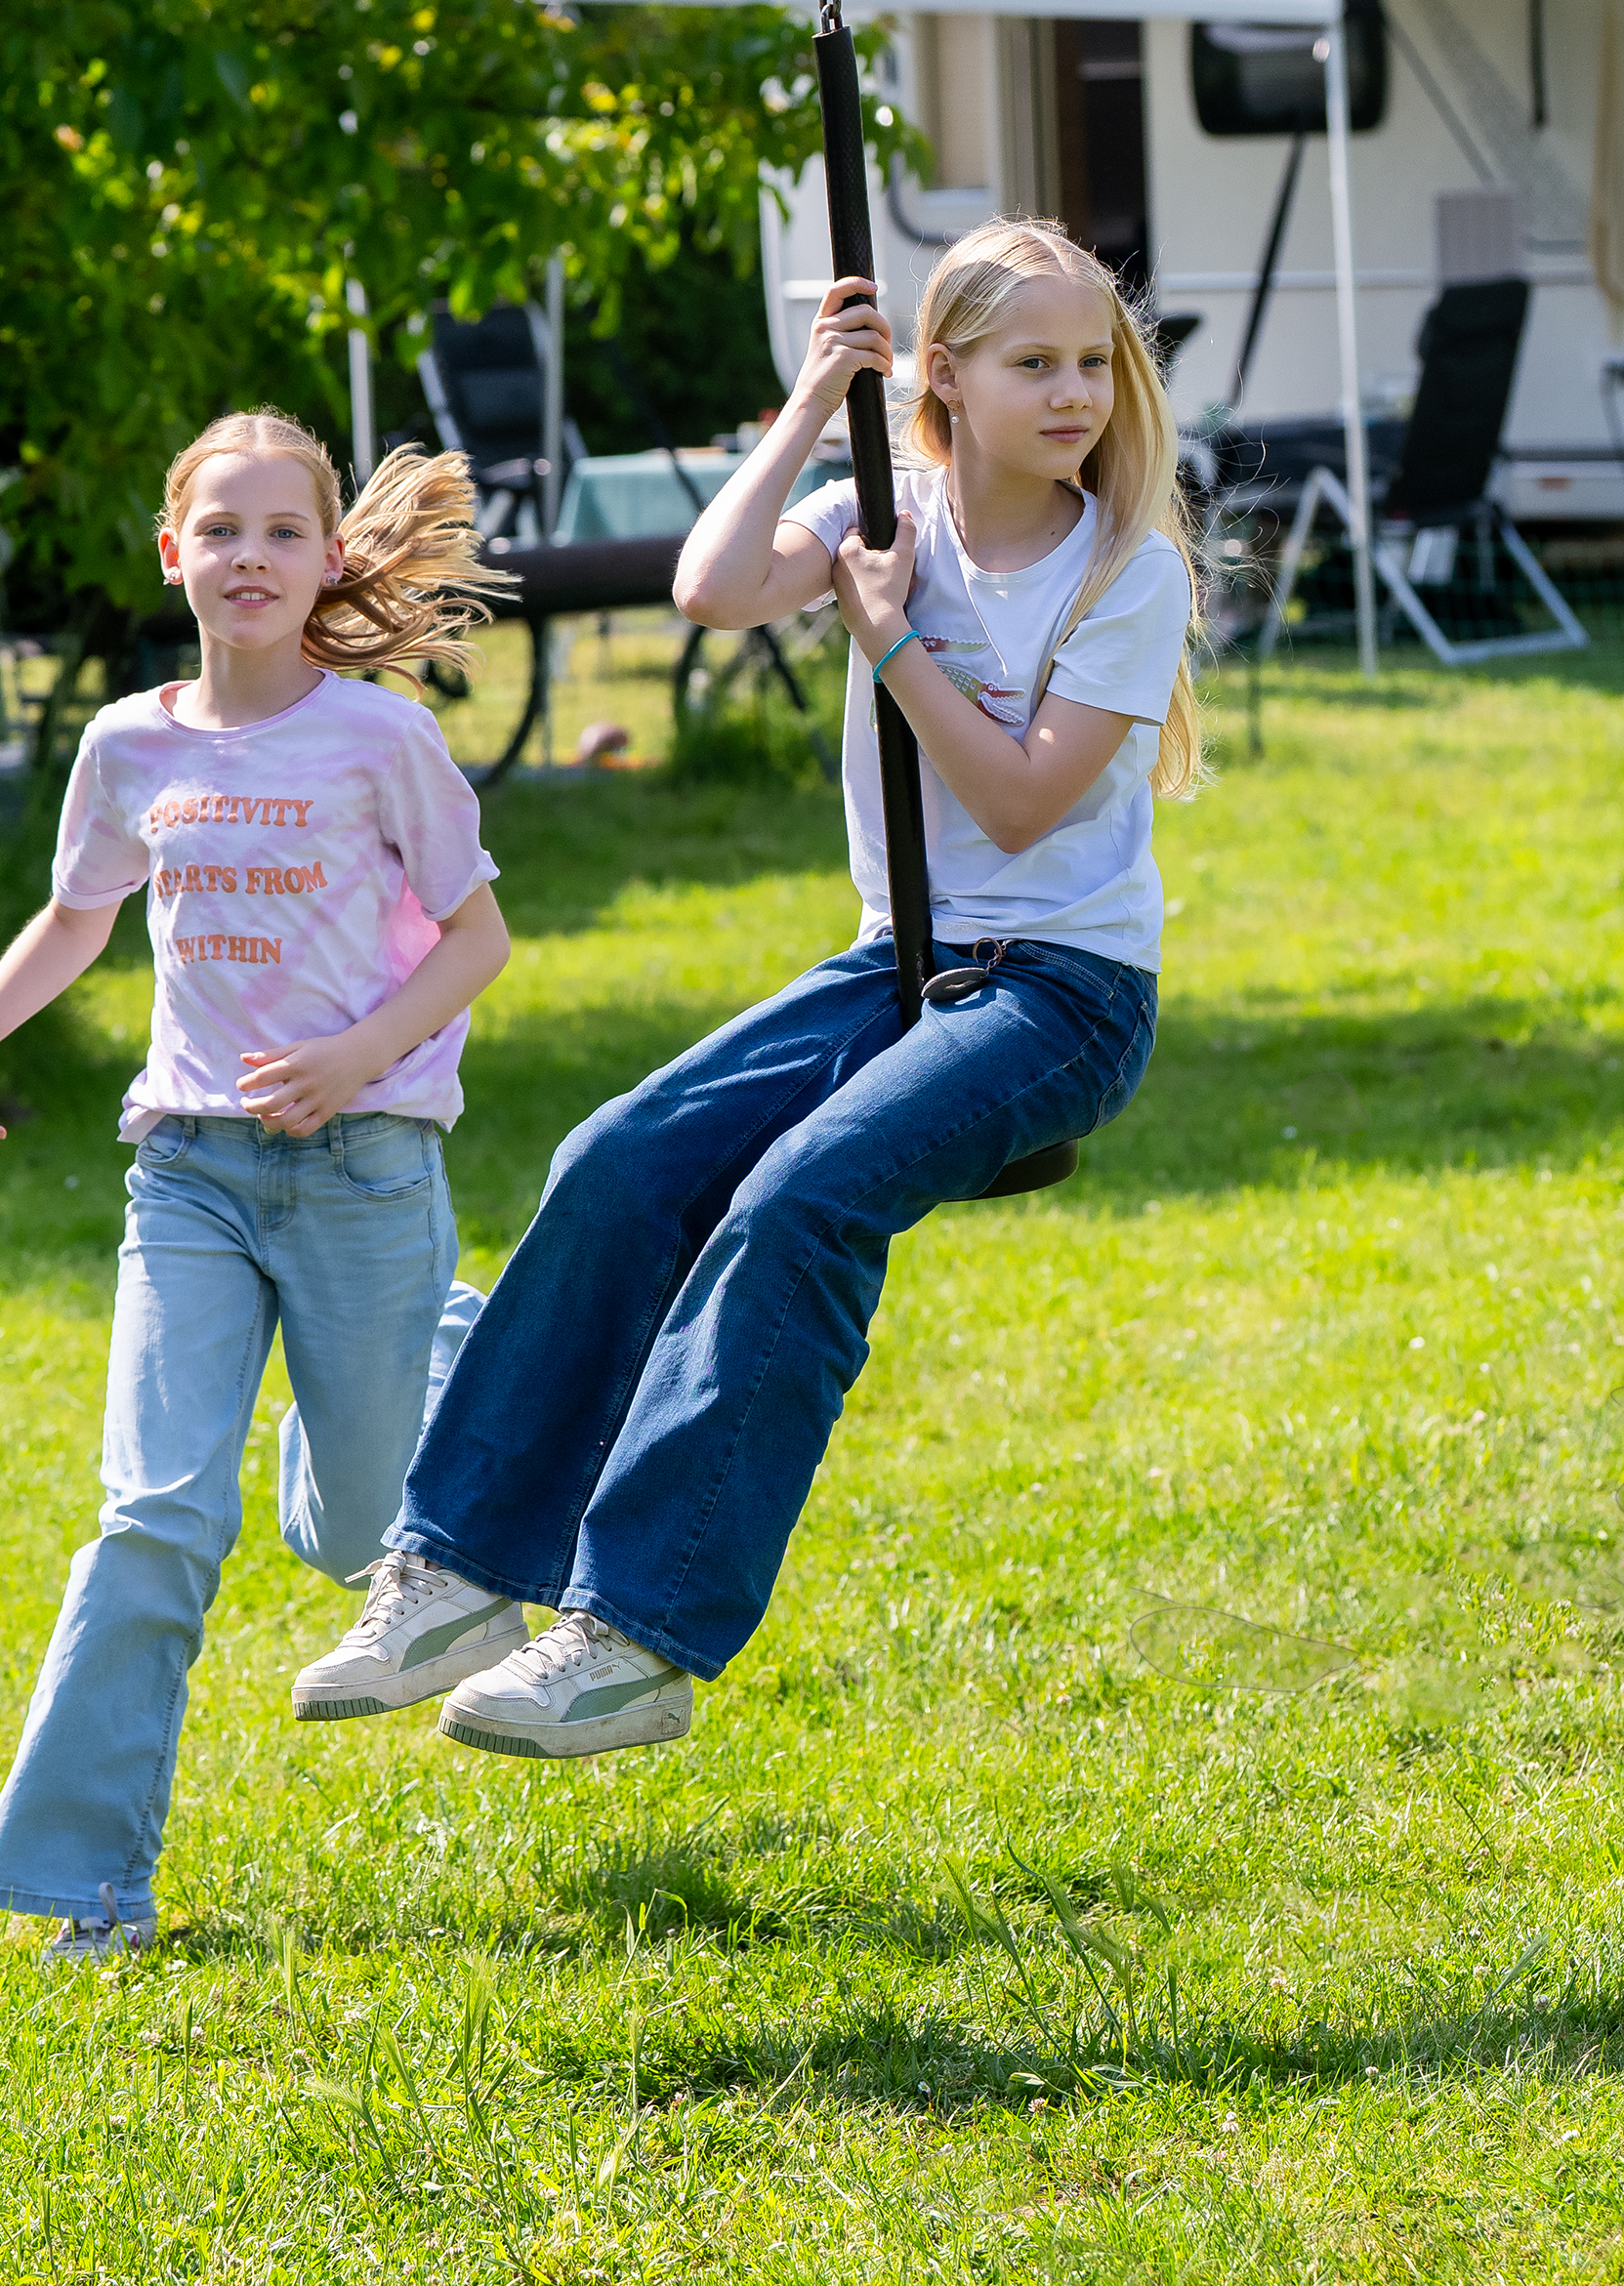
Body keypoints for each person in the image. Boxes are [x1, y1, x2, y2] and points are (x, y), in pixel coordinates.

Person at [292, 218, 1203, 1762]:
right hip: (895, 965)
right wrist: (807, 406)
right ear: (944, 379)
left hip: (1063, 995)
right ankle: (458, 1567)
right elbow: (711, 586)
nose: (1075, 394)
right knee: (619, 1155)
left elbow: (1019, 804)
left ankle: (639, 1634)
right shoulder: (883, 504)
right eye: (1032, 362)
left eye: (1092, 363)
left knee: (797, 1199)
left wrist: (892, 631)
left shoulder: (1128, 566)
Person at [0, 411, 513, 1960]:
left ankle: (458, 1340)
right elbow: (76, 913)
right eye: (222, 528)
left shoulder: (380, 736)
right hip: (186, 1171)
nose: (250, 555)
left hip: (365, 1170)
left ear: (327, 557)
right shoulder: (132, 741)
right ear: (172, 551)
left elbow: (474, 937)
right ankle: (87, 1885)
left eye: (282, 531)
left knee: (355, 1536)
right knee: (153, 1518)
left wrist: (363, 1054)